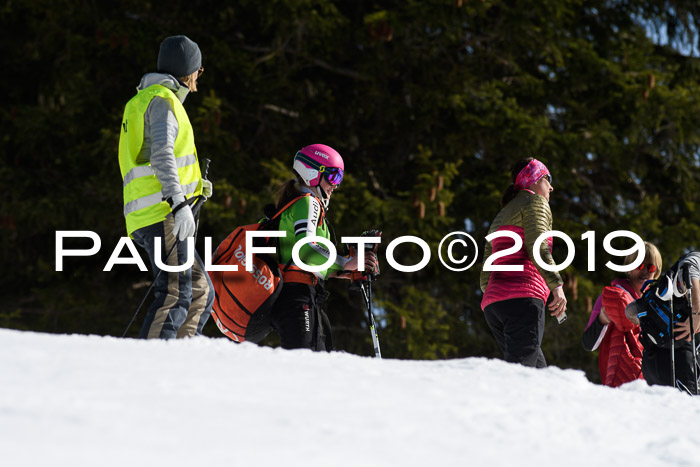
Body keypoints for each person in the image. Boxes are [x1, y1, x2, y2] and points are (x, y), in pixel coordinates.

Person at [118, 35, 213, 339]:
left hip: (153, 213)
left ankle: (179, 362)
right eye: (198, 70)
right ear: (189, 71)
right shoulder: (162, 101)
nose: (199, 76)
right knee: (176, 293)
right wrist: (179, 203)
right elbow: (161, 153)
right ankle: (152, 368)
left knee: (200, 291)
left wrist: (196, 186)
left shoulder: (145, 100)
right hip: (163, 214)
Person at [269, 144, 378, 351]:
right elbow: (305, 249)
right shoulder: (308, 203)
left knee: (320, 360)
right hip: (297, 296)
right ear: (312, 173)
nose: (336, 185)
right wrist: (346, 262)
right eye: (334, 176)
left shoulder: (302, 203)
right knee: (305, 368)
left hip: (305, 294)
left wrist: (342, 271)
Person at [480, 157, 567, 368]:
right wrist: (556, 285)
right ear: (535, 179)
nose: (551, 187)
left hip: (494, 305)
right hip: (523, 297)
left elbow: (486, 272)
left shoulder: (503, 212)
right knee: (521, 375)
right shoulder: (535, 202)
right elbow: (538, 245)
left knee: (537, 373)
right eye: (548, 179)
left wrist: (498, 293)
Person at [581, 242, 662, 386]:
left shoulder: (659, 304)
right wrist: (603, 319)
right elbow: (588, 344)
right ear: (628, 268)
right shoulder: (612, 297)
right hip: (618, 383)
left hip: (649, 383)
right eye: (639, 266)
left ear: (656, 273)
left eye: (651, 267)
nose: (644, 272)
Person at [626, 252, 700, 391]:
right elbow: (688, 269)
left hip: (653, 358)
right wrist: (696, 313)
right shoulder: (696, 258)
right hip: (678, 358)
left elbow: (631, 311)